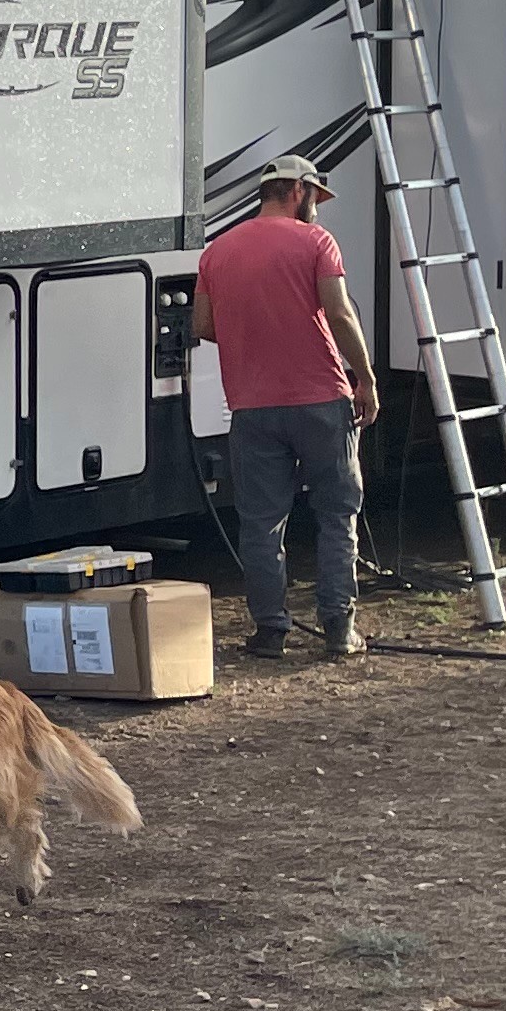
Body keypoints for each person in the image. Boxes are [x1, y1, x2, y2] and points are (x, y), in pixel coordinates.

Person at [192, 153, 381, 656]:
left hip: (252, 408)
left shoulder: (217, 252)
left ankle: (271, 631)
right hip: (321, 399)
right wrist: (364, 378)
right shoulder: (316, 242)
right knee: (337, 515)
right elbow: (339, 314)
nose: (317, 207)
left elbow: (203, 326)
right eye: (315, 196)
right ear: (297, 190)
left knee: (261, 522)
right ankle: (339, 630)